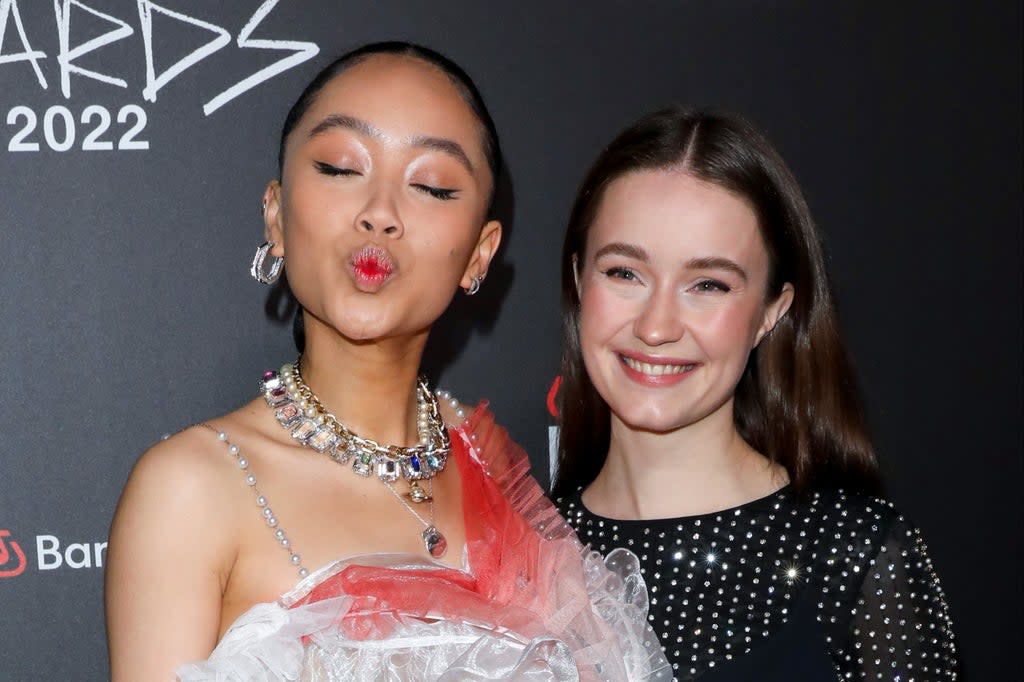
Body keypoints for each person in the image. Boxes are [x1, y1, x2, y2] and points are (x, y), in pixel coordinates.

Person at [105, 42, 669, 681]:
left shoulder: (502, 479)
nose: (380, 213)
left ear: (480, 255)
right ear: (276, 213)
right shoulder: (191, 487)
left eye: (430, 185)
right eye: (342, 168)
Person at [553, 108, 960, 681]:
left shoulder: (851, 554)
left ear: (772, 311)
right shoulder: (522, 555)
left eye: (708, 285)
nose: (657, 325)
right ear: (579, 280)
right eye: (625, 273)